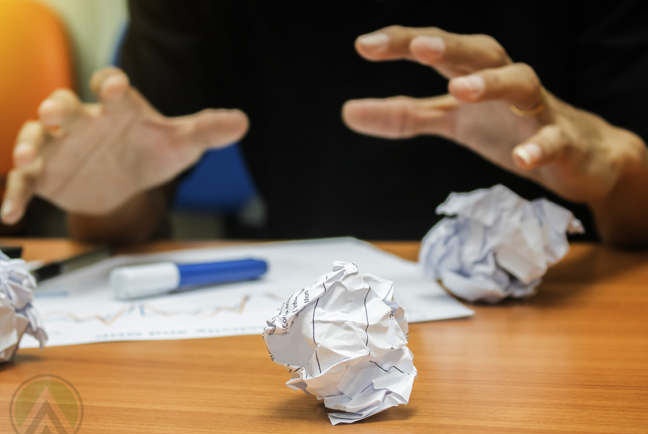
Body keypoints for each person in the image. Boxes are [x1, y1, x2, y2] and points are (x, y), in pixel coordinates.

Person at [3, 0, 648, 247]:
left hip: (573, 302)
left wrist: (615, 167)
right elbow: (131, 215)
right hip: (314, 306)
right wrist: (101, 197)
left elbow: (632, 190)